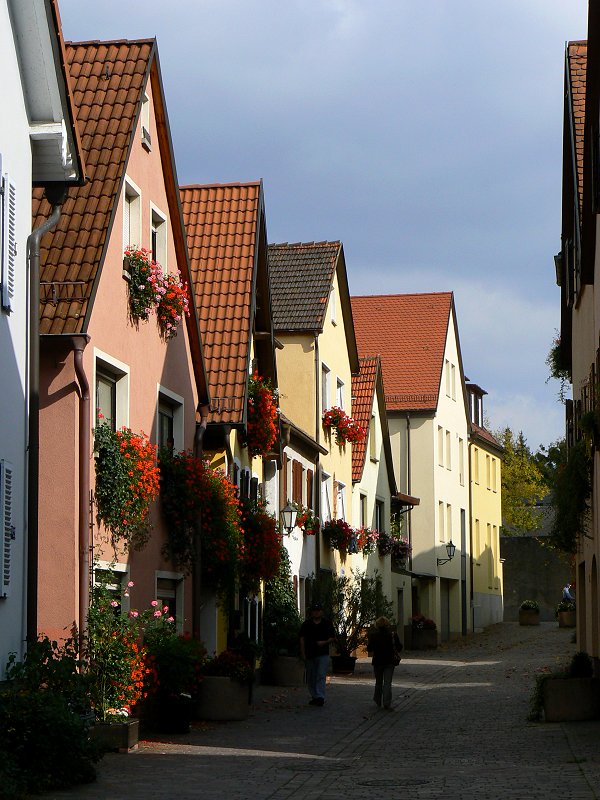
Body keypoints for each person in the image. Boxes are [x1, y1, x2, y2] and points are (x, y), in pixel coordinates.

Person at [299, 602, 336, 706]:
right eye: (314, 611)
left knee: (320, 675)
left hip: (323, 653)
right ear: (311, 613)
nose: (316, 613)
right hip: (309, 653)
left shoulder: (327, 624)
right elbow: (302, 639)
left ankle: (320, 696)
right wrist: (303, 653)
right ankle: (314, 696)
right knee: (311, 676)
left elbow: (333, 637)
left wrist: (324, 642)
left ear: (321, 612)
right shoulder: (307, 624)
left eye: (318, 611)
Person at [367, 616, 402, 710]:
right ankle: (387, 703)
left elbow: (369, 649)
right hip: (389, 661)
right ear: (387, 624)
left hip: (378, 661)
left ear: (377, 625)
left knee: (378, 682)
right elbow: (399, 647)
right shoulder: (393, 635)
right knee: (387, 683)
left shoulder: (373, 635)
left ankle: (377, 700)